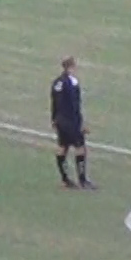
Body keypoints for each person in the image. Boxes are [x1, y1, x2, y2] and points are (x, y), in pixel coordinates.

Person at [51, 57, 93, 190]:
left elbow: (54, 102)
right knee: (80, 147)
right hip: (71, 121)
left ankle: (65, 179)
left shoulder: (57, 82)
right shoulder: (72, 82)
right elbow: (75, 105)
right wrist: (80, 124)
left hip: (60, 119)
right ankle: (82, 180)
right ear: (71, 67)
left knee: (62, 147)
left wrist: (54, 119)